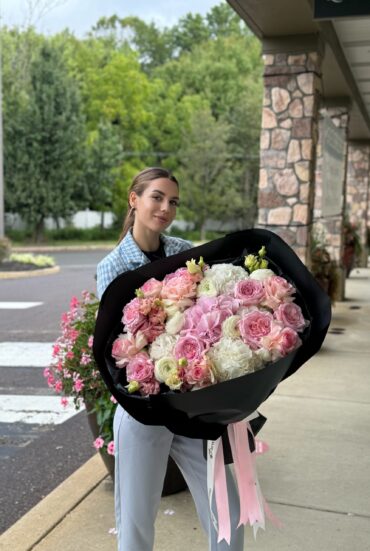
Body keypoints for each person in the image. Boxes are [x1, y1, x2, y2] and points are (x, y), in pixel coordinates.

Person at [96, 167, 244, 551]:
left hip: (194, 404)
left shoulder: (184, 252)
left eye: (173, 201)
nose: (165, 207)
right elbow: (118, 347)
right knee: (136, 522)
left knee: (228, 511)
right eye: (156, 197)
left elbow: (211, 311)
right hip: (143, 409)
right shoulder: (112, 267)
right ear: (134, 199)